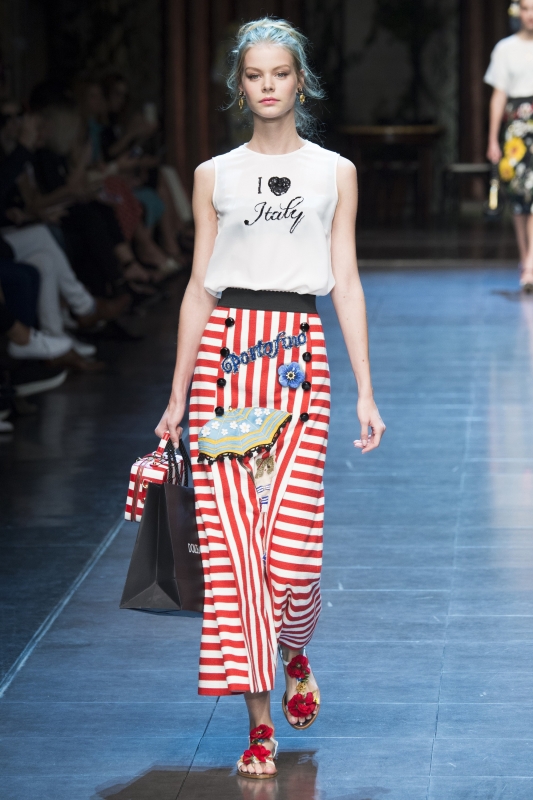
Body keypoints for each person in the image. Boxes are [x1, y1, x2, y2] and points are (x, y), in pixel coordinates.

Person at [155, 18, 385, 780]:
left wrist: (365, 391)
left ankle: (293, 648)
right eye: (253, 75)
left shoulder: (333, 173)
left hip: (298, 359)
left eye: (279, 73)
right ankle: (258, 728)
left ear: (300, 81)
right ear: (239, 85)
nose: (266, 86)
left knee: (288, 555)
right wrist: (176, 396)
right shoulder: (213, 175)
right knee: (233, 559)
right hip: (226, 362)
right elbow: (198, 287)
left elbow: (345, 281)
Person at [486, 0, 533, 291]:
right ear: (518, 11)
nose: (532, 15)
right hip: (516, 131)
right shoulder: (505, 49)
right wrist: (492, 138)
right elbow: (498, 96)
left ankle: (530, 264)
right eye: (526, 8)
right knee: (519, 200)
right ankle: (525, 258)